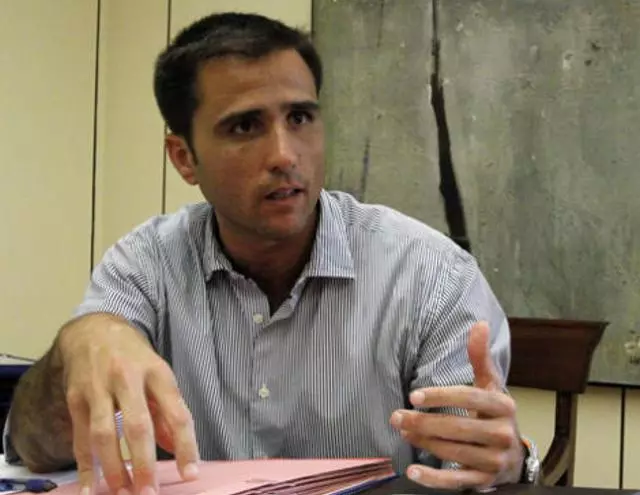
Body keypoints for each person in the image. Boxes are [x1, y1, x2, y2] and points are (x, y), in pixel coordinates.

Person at [3, 11, 539, 495]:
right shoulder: (146, 265)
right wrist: (76, 347)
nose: (284, 155)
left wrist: (506, 461)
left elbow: (466, 472)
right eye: (245, 126)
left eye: (300, 118)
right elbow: (35, 450)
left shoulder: (431, 276)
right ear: (184, 157)